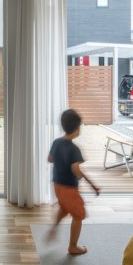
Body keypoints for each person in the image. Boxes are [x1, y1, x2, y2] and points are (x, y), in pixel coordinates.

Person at [47, 109, 100, 255]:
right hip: (69, 188)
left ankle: (53, 229)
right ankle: (73, 246)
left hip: (57, 185)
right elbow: (76, 170)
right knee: (78, 215)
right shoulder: (74, 149)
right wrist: (93, 185)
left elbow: (49, 159)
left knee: (64, 208)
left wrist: (61, 160)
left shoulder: (56, 142)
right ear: (77, 129)